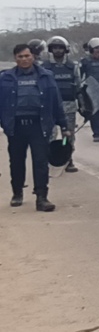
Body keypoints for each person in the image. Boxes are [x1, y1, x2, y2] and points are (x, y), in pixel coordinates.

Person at [1, 43, 65, 211]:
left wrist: (64, 125)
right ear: (15, 58)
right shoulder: (6, 78)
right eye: (20, 56)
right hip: (16, 127)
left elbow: (56, 102)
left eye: (27, 56)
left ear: (33, 57)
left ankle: (42, 197)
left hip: (39, 125)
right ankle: (17, 193)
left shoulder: (46, 76)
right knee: (16, 162)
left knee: (41, 162)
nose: (24, 59)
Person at [44, 36, 81, 173]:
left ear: (65, 50)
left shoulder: (73, 66)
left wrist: (83, 105)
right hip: (50, 107)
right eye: (55, 48)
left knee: (68, 135)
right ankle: (49, 161)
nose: (58, 50)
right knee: (50, 135)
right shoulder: (45, 67)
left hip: (69, 105)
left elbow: (78, 87)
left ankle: (68, 159)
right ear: (51, 49)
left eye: (60, 48)